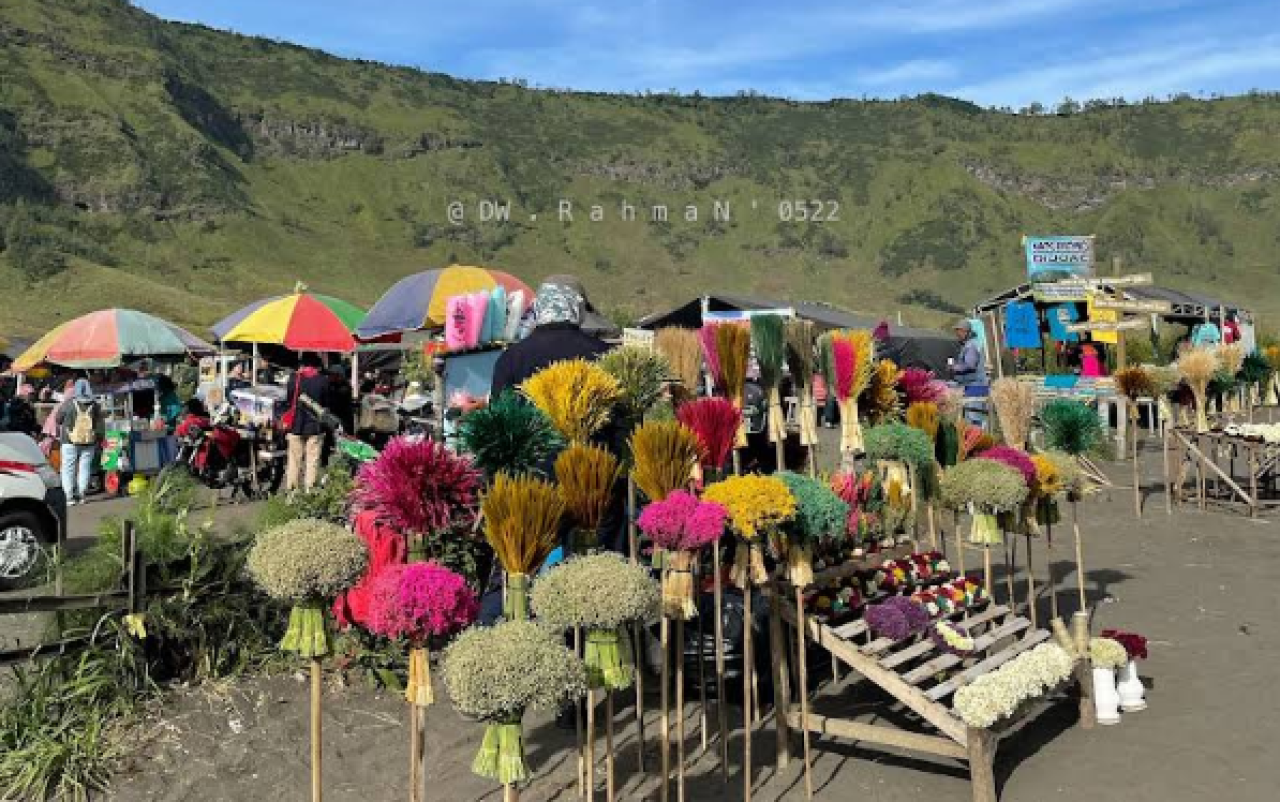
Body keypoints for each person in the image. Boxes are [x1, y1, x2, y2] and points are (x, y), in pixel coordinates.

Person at [490, 275, 611, 396]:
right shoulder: (604, 354)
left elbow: (498, 410)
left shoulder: (512, 358)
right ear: (579, 308)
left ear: (537, 307)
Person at [283, 353, 331, 492]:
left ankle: (291, 493)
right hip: (315, 426)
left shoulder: (293, 379)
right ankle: (310, 493)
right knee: (312, 461)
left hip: (295, 425)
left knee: (294, 461)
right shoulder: (323, 380)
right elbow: (326, 404)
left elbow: (288, 401)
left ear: (302, 364)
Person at [57, 379, 102, 505]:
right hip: (89, 441)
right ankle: (82, 495)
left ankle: (69, 497)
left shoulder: (68, 404)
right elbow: (99, 424)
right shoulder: (95, 404)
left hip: (69, 441)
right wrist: (99, 438)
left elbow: (58, 419)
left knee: (67, 468)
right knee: (85, 467)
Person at [949, 319, 988, 387]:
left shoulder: (970, 346)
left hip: (974, 385)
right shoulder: (969, 344)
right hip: (970, 383)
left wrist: (954, 367)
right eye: (957, 331)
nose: (957, 334)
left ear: (966, 332)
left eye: (959, 331)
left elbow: (970, 365)